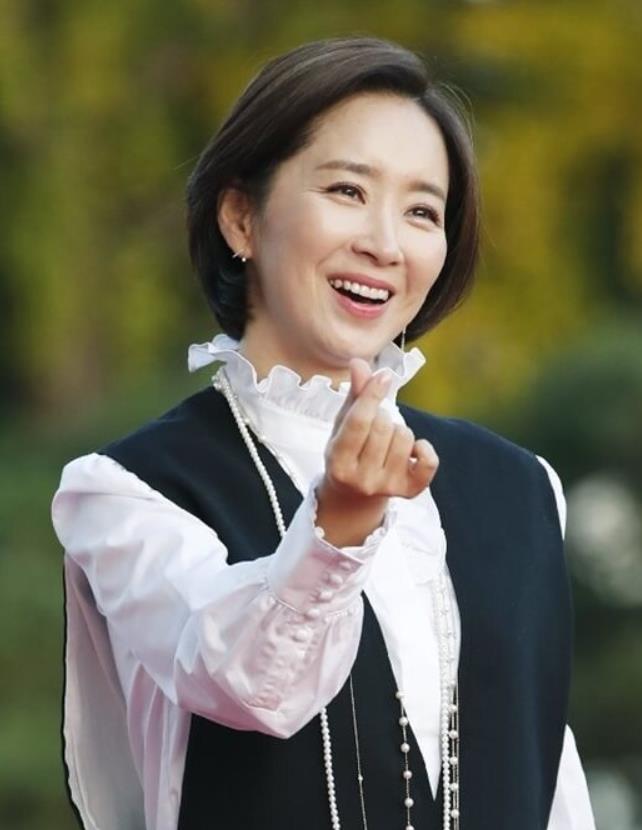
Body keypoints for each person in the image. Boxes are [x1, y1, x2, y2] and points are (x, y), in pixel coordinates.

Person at [51, 36, 596, 830]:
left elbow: (553, 787)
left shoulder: (522, 488)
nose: (385, 242)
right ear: (241, 216)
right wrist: (335, 532)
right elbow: (242, 684)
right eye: (347, 190)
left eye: (421, 211)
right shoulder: (125, 492)